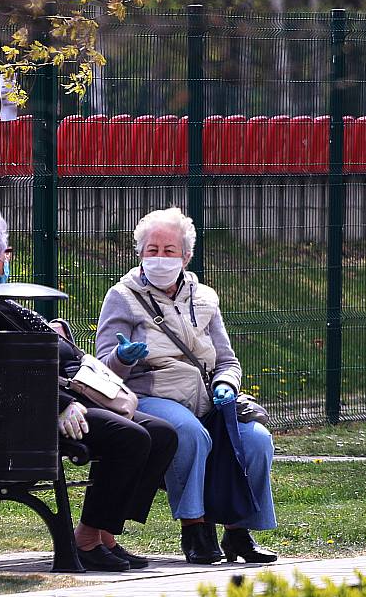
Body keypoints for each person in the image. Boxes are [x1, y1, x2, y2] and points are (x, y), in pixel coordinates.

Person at [0, 206, 177, 571]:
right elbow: (0, 376)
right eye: (5, 253)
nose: (7, 260)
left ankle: (102, 534)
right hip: (24, 418)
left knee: (160, 433)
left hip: (40, 403)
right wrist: (60, 404)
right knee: (132, 438)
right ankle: (85, 540)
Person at [95, 206, 278, 565]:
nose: (160, 259)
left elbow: (227, 360)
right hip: (150, 396)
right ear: (140, 254)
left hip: (206, 399)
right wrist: (124, 357)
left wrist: (226, 382)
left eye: (169, 251)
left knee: (256, 438)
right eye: (152, 250)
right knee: (189, 432)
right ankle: (196, 528)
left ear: (186, 256)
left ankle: (238, 532)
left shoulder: (206, 297)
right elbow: (102, 370)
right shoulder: (122, 296)